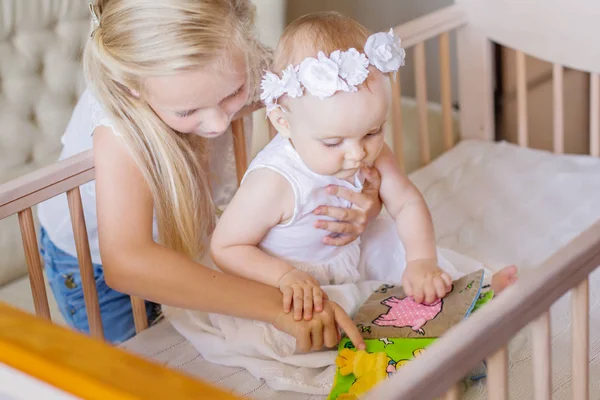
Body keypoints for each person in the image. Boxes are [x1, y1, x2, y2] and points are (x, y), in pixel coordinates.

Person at [165, 12, 518, 394]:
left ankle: (472, 301)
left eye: (373, 131)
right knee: (328, 321)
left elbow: (407, 203)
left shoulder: (369, 150)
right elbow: (226, 247)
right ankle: (418, 347)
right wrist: (284, 276)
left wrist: (420, 262)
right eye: (333, 143)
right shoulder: (274, 181)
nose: (356, 154)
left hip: (350, 252)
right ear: (283, 122)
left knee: (418, 260)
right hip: (292, 278)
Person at [36, 0, 381, 347]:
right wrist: (277, 307)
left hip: (191, 241)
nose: (218, 124)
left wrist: (367, 192)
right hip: (93, 268)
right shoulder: (119, 129)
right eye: (187, 111)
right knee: (143, 367)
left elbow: (340, 117)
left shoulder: (241, 56)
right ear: (132, 87)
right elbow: (128, 260)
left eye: (234, 94)